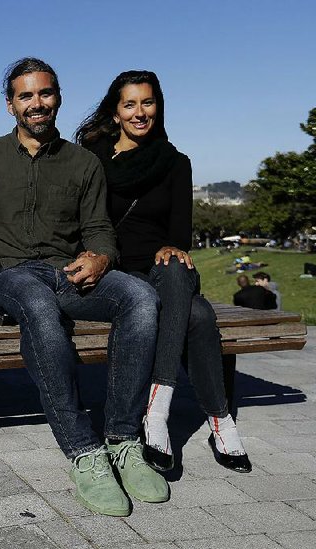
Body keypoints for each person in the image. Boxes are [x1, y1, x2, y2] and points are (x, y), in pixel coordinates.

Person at [0, 58, 168, 516]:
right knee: (40, 309)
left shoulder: (83, 162)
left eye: (45, 93)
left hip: (67, 273)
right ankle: (84, 451)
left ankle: (122, 440)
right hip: (9, 274)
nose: (36, 103)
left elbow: (100, 228)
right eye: (26, 96)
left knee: (142, 297)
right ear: (10, 106)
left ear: (58, 97)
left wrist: (101, 257)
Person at [75, 70, 252, 474]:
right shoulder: (93, 156)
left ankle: (157, 411)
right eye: (130, 104)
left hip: (163, 268)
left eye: (148, 103)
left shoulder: (175, 162)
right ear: (115, 112)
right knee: (200, 315)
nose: (140, 112)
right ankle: (221, 420)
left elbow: (180, 234)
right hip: (118, 272)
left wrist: (173, 248)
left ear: (159, 107)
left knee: (173, 264)